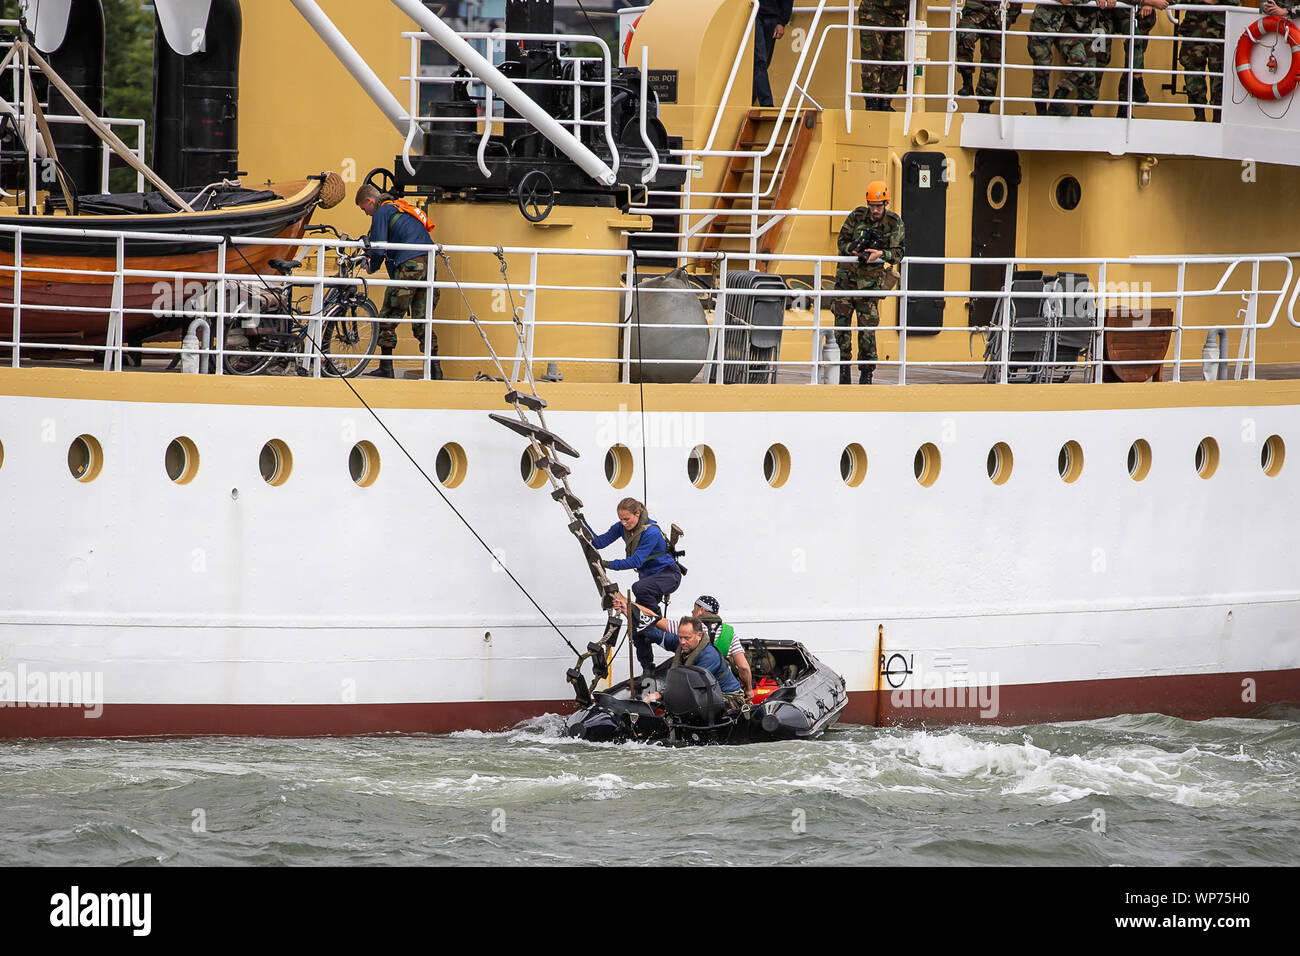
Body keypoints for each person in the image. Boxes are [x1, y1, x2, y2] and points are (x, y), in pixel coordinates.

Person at [588, 498, 682, 679]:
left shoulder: (651, 532)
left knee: (639, 589)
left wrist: (606, 564)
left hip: (668, 575)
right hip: (650, 581)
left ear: (637, 514)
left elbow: (636, 561)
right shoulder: (621, 527)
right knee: (636, 627)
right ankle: (648, 667)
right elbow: (598, 542)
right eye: (621, 519)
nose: (624, 523)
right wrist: (583, 524)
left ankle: (655, 625)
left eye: (627, 519)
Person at [355, 183, 442, 379]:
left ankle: (386, 369)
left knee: (388, 317)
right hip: (429, 264)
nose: (367, 214)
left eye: (364, 209)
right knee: (423, 320)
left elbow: (378, 249)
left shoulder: (382, 212)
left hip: (410, 266)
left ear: (370, 201)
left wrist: (371, 267)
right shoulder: (401, 208)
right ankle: (435, 371)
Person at [612, 592, 754, 700]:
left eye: (694, 609)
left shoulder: (691, 630)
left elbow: (653, 618)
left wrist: (628, 603)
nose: (683, 641)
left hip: (718, 690)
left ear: (701, 610)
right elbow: (743, 667)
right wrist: (627, 611)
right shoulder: (729, 633)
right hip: (702, 679)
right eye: (681, 637)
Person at [831, 180, 905, 385]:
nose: (874, 210)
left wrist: (882, 254)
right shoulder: (856, 216)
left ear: (886, 204)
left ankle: (866, 373)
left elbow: (899, 252)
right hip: (846, 282)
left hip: (869, 286)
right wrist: (853, 250)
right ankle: (843, 370)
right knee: (841, 328)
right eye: (872, 205)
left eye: (878, 206)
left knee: (867, 332)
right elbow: (842, 242)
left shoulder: (893, 222)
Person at [645, 617, 748, 713]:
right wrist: (637, 621)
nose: (682, 642)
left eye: (686, 638)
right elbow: (660, 636)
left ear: (699, 636)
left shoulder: (709, 656)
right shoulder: (684, 644)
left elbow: (688, 685)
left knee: (687, 711)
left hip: (729, 697)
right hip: (708, 694)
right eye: (680, 637)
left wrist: (658, 695)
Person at [1028, 0, 1098, 115]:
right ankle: (1040, 113)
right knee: (1042, 69)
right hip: (1043, 22)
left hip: (1064, 23)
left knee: (1080, 60)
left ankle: (1058, 100)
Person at [1101, 0, 1165, 117]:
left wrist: (1149, 3)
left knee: (1133, 59)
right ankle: (1084, 106)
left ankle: (1124, 108)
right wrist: (1146, 1)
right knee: (1098, 60)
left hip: (1141, 21)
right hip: (1106, 17)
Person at [956, 1, 1023, 112]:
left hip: (996, 17)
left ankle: (985, 104)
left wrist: (1010, 17)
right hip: (974, 12)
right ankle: (967, 82)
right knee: (964, 37)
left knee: (992, 58)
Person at [1177, 0, 1225, 122]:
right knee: (1193, 76)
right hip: (1194, 29)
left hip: (1220, 30)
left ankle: (1218, 119)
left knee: (1220, 77)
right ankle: (1199, 116)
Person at [858, 0, 910, 110]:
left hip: (895, 15)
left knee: (896, 61)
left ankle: (885, 101)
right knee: (872, 60)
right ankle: (872, 103)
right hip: (873, 12)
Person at [753, 0, 794, 108]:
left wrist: (782, 22)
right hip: (754, 15)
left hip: (772, 18)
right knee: (759, 61)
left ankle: (751, 100)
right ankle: (767, 104)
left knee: (763, 63)